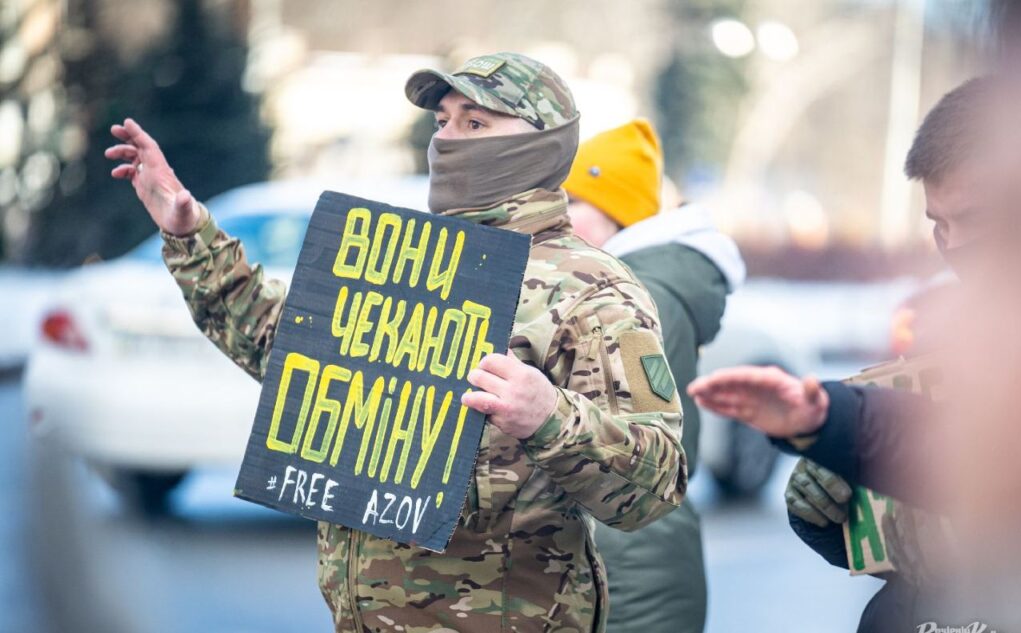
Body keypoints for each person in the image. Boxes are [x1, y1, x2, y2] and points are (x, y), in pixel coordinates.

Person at [105, 52, 688, 633]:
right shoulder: (412, 263)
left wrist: (550, 418)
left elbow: (656, 483)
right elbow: (284, 348)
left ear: (543, 144)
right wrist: (190, 235)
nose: (449, 139)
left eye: (475, 123)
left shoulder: (592, 288)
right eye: (442, 122)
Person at [688, 75, 1021, 631]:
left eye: (978, 220)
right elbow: (915, 538)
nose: (956, 246)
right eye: (940, 225)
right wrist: (844, 509)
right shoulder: (946, 326)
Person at [562, 119, 745, 633]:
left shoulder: (638, 295)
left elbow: (637, 434)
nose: (560, 217)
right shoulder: (626, 284)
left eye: (575, 203)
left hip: (631, 558)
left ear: (618, 214)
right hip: (628, 541)